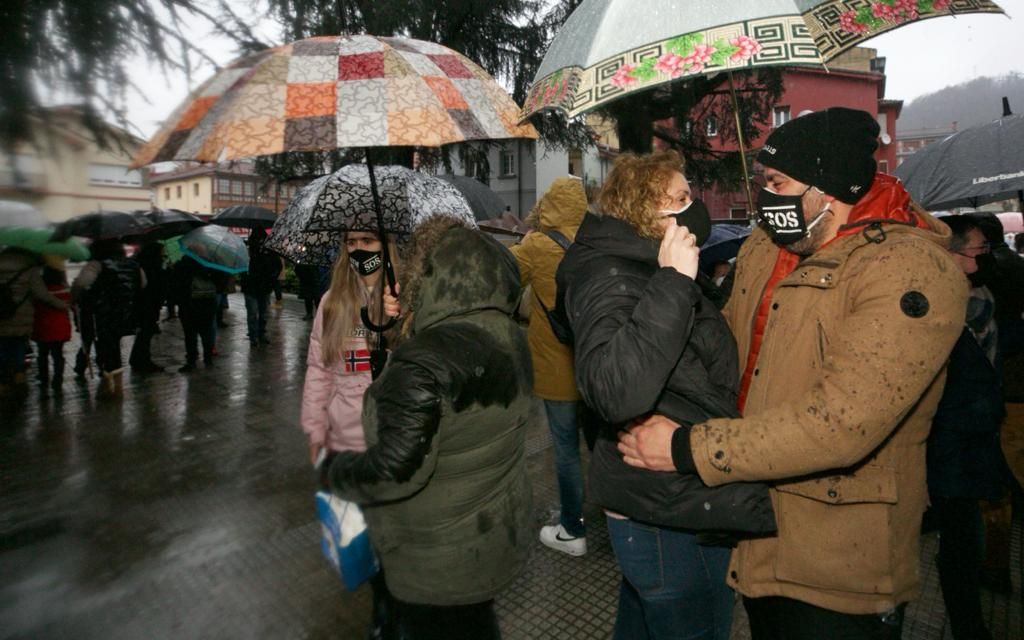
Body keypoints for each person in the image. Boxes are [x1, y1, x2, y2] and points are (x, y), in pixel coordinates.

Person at [619, 107, 967, 639]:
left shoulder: (910, 270)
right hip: (760, 528)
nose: (765, 200)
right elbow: (725, 351)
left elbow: (842, 423)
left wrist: (687, 447)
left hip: (840, 557)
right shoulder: (768, 243)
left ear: (829, 190)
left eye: (777, 183)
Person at [555, 151, 774, 640]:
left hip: (667, 502)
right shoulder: (611, 276)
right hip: (668, 516)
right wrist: (675, 280)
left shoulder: (645, 263)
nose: (693, 208)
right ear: (644, 210)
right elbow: (614, 390)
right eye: (680, 199)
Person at [321, 215, 533, 640]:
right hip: (492, 537)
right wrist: (405, 330)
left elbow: (394, 471)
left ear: (428, 275)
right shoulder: (509, 334)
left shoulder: (423, 363)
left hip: (435, 562)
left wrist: (334, 471)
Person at [300, 229, 398, 638]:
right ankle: (382, 612)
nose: (358, 250)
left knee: (395, 538)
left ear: (385, 246)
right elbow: (319, 370)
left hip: (392, 440)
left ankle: (398, 609)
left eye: (368, 241)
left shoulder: (403, 297)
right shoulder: (332, 302)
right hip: (346, 442)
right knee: (364, 539)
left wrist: (397, 323)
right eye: (350, 242)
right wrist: (314, 429)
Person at [927, 215, 1009, 640]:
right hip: (948, 444)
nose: (986, 258)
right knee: (960, 544)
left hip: (973, 439)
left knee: (965, 540)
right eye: (978, 250)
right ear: (952, 254)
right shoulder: (936, 309)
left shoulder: (981, 299)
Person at [508, 176, 590, 556]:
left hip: (557, 369)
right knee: (600, 444)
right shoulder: (596, 241)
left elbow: (502, 279)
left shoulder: (538, 245)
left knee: (566, 449)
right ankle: (611, 512)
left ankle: (573, 529)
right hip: (598, 365)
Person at [72, 239, 144, 397]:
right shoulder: (132, 264)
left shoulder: (96, 264)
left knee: (107, 348)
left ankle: (112, 387)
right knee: (114, 346)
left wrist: (76, 293)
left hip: (102, 315)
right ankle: (116, 385)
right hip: (126, 313)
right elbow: (143, 283)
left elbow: (82, 284)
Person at [0, 248, 66, 392]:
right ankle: (18, 380)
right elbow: (42, 294)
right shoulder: (29, 268)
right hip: (21, 316)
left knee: (2, 346)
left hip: (1, 316)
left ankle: (3, 382)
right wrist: (62, 305)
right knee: (18, 346)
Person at [170, 256, 219, 372]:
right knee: (207, 332)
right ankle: (208, 358)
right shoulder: (209, 263)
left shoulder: (181, 265)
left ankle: (191, 360)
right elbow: (219, 280)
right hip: (207, 303)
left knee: (190, 334)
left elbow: (175, 284)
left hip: (188, 304)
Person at [32, 257, 73, 393]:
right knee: (58, 354)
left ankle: (43, 379)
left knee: (42, 354)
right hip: (59, 328)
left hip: (42, 326)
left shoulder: (40, 291)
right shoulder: (64, 290)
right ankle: (58, 379)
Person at [129, 242, 167, 373]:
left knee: (145, 331)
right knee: (146, 331)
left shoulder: (140, 262)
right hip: (149, 302)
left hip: (142, 302)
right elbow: (157, 283)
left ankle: (137, 358)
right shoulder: (153, 264)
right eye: (162, 250)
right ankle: (142, 361)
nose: (164, 252)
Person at [240, 228, 281, 347]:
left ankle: (261, 334)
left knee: (262, 314)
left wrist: (271, 279)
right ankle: (253, 336)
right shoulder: (247, 253)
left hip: (264, 287)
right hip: (251, 287)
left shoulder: (269, 253)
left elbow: (277, 266)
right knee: (253, 313)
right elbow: (241, 268)